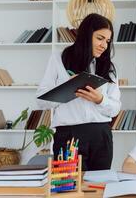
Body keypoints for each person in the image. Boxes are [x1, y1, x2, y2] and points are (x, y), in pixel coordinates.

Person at [36, 13, 121, 171]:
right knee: (68, 188)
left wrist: (100, 99)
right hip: (68, 134)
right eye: (100, 38)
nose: (104, 45)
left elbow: (115, 108)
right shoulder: (59, 59)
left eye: (108, 41)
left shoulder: (108, 67)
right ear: (86, 35)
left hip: (101, 135)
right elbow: (40, 100)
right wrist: (68, 88)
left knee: (99, 187)